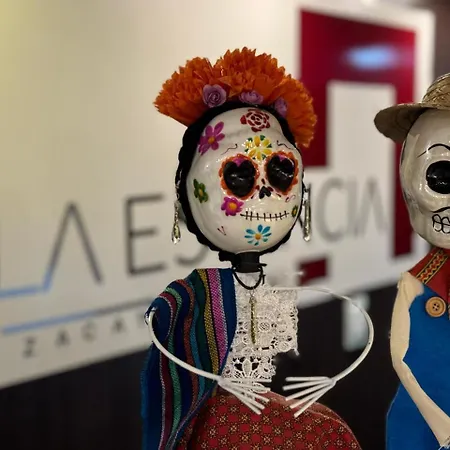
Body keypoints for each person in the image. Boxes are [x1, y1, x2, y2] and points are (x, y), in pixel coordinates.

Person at [142, 48, 362, 450]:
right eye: (239, 174)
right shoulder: (191, 297)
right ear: (187, 195)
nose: (263, 192)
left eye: (281, 171)